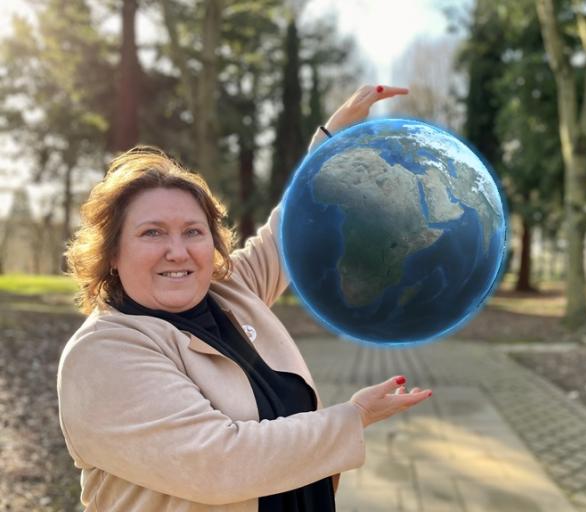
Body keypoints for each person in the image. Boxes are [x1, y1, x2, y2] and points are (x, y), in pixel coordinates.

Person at [57, 85, 432, 511]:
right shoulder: (103, 353)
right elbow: (218, 464)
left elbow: (286, 230)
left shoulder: (228, 293)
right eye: (152, 232)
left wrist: (329, 145)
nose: (177, 251)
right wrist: (353, 417)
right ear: (112, 253)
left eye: (193, 232)